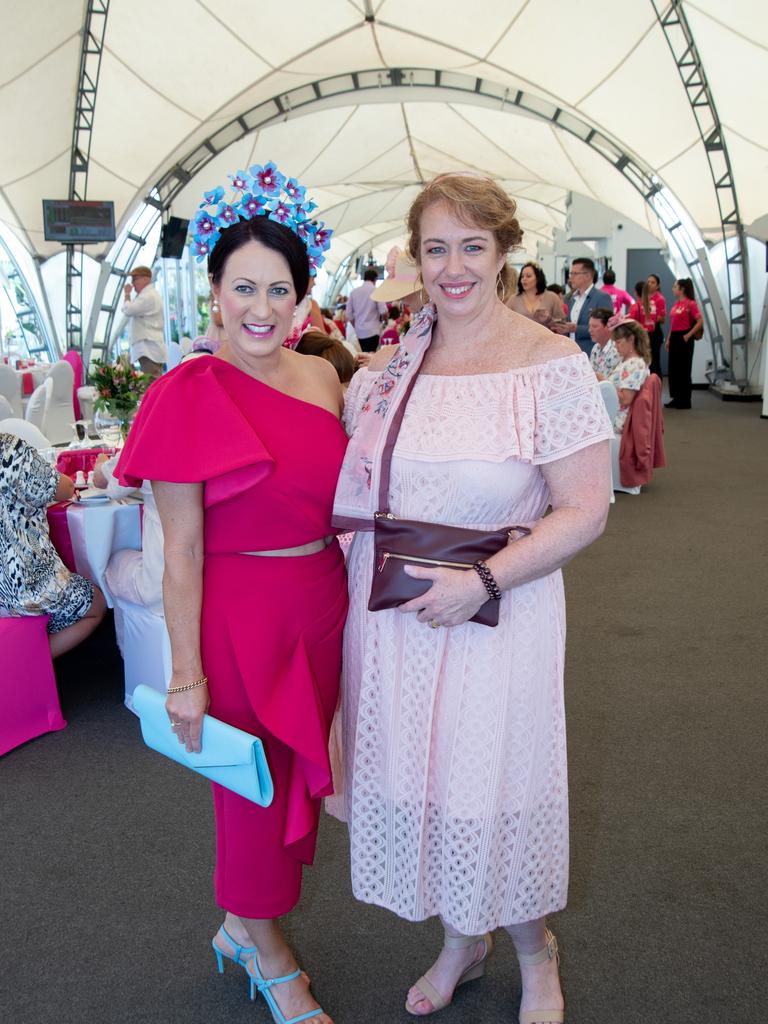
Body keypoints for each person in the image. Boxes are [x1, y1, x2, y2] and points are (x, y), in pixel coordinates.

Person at [331, 172, 613, 1024]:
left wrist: (483, 581)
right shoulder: (393, 366)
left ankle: (536, 952)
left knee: (493, 790)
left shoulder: (546, 362)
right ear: (415, 259)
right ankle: (462, 938)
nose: (453, 267)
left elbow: (587, 510)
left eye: (471, 247)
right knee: (427, 786)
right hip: (395, 620)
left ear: (503, 253)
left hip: (499, 613)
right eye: (435, 248)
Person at [116, 165, 346, 1024]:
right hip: (239, 617)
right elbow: (181, 554)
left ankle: (236, 923)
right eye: (243, 286)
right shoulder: (187, 392)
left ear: (301, 298)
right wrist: (186, 675)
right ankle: (267, 949)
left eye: (278, 290)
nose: (261, 306)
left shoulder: (324, 378)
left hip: (319, 604)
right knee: (249, 789)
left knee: (287, 773)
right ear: (213, 292)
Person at [0, 433, 106, 657]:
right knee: (96, 604)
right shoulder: (9, 450)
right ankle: (28, 662)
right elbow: (64, 488)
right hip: (24, 591)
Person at [606, 319, 651, 434]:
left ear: (631, 339)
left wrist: (605, 383)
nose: (615, 347)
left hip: (619, 420)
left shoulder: (635, 364)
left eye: (619, 342)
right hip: (615, 414)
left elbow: (626, 399)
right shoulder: (626, 362)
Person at [122, 266, 166, 378]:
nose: (132, 283)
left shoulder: (148, 296)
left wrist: (127, 294)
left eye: (135, 279)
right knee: (150, 384)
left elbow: (128, 309)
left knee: (150, 384)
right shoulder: (147, 295)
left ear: (146, 279)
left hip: (149, 349)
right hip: (149, 348)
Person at [665, 278, 702, 410]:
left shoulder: (690, 304)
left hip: (685, 337)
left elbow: (700, 321)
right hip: (675, 336)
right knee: (673, 369)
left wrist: (688, 335)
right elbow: (673, 324)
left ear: (682, 289)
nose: (673, 289)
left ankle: (685, 399)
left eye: (675, 287)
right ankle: (676, 397)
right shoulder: (676, 305)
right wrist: (669, 338)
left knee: (684, 369)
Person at [566, 258, 613, 355]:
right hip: (573, 352)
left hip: (592, 352)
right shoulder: (572, 298)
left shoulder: (602, 297)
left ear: (587, 275)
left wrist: (576, 329)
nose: (571, 278)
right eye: (571, 274)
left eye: (575, 274)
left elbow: (607, 327)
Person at [506, 262, 569, 328]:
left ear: (538, 278)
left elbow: (563, 325)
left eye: (528, 276)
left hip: (545, 337)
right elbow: (504, 320)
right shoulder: (514, 299)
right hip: (520, 337)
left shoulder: (552, 297)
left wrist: (549, 319)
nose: (524, 279)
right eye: (522, 276)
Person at [345, 268, 387, 352]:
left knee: (363, 354)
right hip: (373, 330)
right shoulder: (376, 291)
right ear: (375, 279)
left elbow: (348, 314)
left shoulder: (354, 292)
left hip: (359, 332)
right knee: (371, 356)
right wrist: (385, 322)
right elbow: (383, 311)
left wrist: (356, 324)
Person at [588, 308, 621, 378]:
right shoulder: (595, 348)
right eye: (589, 326)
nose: (590, 330)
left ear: (608, 327)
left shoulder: (617, 349)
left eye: (594, 326)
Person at [645, 273, 667, 379]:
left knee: (654, 361)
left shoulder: (660, 299)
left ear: (657, 285)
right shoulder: (644, 297)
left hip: (654, 332)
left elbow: (663, 319)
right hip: (644, 332)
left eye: (652, 282)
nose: (649, 284)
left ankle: (656, 385)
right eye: (648, 282)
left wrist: (653, 317)